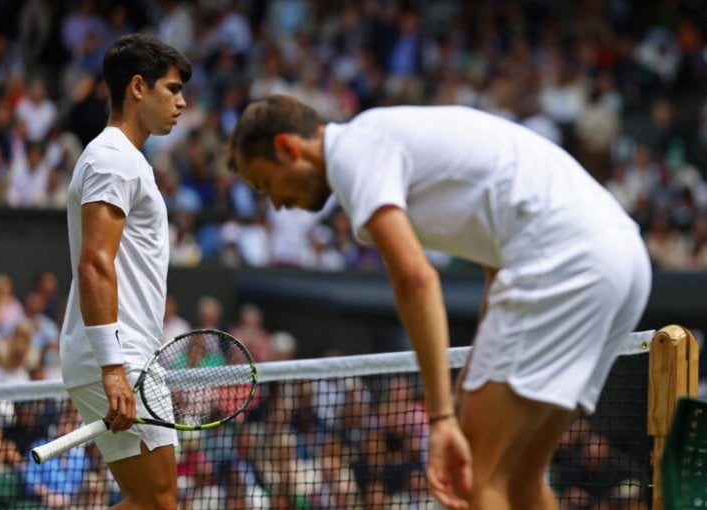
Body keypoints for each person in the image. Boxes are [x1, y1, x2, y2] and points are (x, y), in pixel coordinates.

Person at [227, 94, 652, 509]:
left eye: (268, 184)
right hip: (622, 259)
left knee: (470, 477)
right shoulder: (387, 137)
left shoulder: (355, 151)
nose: (277, 204)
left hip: (564, 260)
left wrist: (442, 416)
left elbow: (415, 278)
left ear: (288, 147)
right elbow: (495, 265)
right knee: (521, 477)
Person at [59, 33, 191, 509]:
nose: (182, 102)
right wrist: (114, 369)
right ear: (138, 87)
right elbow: (95, 263)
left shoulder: (125, 160)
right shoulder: (113, 159)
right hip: (118, 357)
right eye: (172, 89)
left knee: (150, 499)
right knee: (157, 501)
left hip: (121, 355)